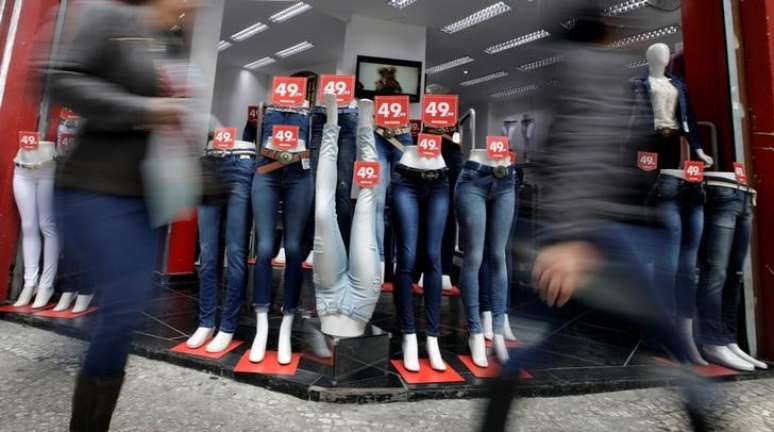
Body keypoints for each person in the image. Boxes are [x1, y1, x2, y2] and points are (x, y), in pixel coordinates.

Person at [479, 5, 715, 432]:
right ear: (602, 30)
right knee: (666, 335)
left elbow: (570, 153)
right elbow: (585, 152)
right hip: (606, 232)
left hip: (601, 228)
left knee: (584, 337)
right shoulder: (591, 70)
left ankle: (502, 395)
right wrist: (573, 238)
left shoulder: (576, 71)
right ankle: (702, 414)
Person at [43, 0, 198, 429]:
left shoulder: (172, 41)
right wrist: (143, 110)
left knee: (125, 312)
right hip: (94, 186)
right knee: (123, 309)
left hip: (146, 196)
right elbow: (57, 76)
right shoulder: (107, 16)